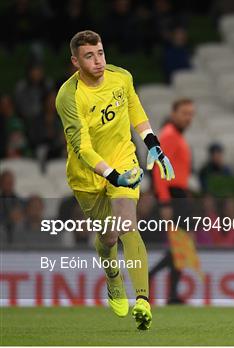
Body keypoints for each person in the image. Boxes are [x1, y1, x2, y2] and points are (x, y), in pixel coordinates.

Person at [56, 30, 175, 329]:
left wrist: (154, 145)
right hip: (88, 175)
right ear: (75, 61)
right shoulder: (68, 97)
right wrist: (112, 176)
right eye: (89, 56)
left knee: (127, 226)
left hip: (123, 157)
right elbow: (81, 147)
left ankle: (144, 301)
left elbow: (135, 109)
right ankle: (113, 279)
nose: (98, 61)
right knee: (108, 237)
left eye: (100, 53)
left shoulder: (121, 77)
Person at [149, 98, 194, 305]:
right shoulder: (169, 135)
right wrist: (165, 201)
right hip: (173, 195)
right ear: (174, 113)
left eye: (191, 114)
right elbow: (159, 169)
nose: (188, 118)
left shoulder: (175, 136)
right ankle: (159, 281)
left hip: (179, 193)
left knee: (181, 246)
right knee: (182, 245)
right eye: (184, 113)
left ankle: (171, 292)